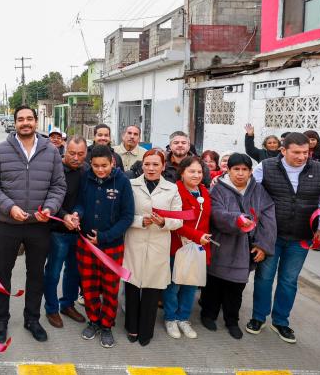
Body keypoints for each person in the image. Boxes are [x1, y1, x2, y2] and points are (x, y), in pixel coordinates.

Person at [0, 105, 66, 344]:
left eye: (29, 118)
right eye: (21, 119)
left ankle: (32, 319)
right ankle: (1, 320)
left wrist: (49, 208)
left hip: (39, 225)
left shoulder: (51, 151)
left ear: (36, 122)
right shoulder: (0, 151)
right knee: (2, 274)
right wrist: (9, 207)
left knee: (36, 274)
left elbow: (58, 186)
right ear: (15, 123)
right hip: (8, 224)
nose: (25, 123)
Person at [246, 132, 320, 343]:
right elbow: (251, 196)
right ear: (283, 150)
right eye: (297, 152)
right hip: (270, 236)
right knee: (264, 277)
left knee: (289, 280)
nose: (302, 156)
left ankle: (281, 321)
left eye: (306, 152)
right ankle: (259, 317)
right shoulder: (265, 167)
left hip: (301, 237)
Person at [63, 145, 134, 348]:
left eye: (104, 165)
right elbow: (80, 204)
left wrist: (104, 237)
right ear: (90, 164)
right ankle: (93, 320)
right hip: (85, 244)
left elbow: (127, 216)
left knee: (110, 288)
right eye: (96, 166)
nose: (100, 170)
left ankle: (107, 325)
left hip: (111, 246)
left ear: (112, 162)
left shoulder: (122, 182)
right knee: (89, 286)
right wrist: (77, 215)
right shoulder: (86, 177)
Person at [202, 153, 276, 339]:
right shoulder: (218, 189)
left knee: (236, 288)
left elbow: (268, 218)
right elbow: (216, 214)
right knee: (214, 284)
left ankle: (231, 320)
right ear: (229, 170)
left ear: (251, 172)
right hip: (222, 245)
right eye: (236, 169)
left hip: (246, 249)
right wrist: (236, 220)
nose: (240, 174)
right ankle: (208, 315)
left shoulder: (259, 191)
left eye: (245, 170)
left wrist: (263, 245)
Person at [123, 149, 183, 346]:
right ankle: (131, 327)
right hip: (135, 240)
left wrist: (164, 222)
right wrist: (141, 220)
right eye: (147, 164)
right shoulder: (131, 185)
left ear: (163, 166)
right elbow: (123, 214)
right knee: (132, 285)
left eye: (156, 164)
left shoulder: (172, 189)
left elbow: (179, 220)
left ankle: (146, 331)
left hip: (158, 243)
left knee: (151, 288)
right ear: (142, 165)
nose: (151, 168)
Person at [164, 156, 213, 340]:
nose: (196, 175)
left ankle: (183, 318)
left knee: (191, 285)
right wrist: (195, 236)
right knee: (174, 285)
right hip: (178, 245)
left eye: (199, 171)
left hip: (198, 247)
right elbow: (174, 220)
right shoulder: (174, 190)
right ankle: (170, 318)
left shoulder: (204, 191)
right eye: (192, 171)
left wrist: (202, 239)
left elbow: (206, 220)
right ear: (182, 172)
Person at [43, 136, 88, 329]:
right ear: (64, 150)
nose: (76, 158)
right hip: (56, 230)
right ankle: (51, 308)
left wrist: (77, 215)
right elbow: (47, 198)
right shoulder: (54, 170)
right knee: (53, 272)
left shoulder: (87, 171)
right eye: (72, 153)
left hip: (78, 230)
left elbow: (85, 198)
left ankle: (67, 304)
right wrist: (65, 216)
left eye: (80, 154)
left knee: (74, 273)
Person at [131, 131, 210, 187]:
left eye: (183, 143)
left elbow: (206, 187)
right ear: (170, 146)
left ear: (189, 146)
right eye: (176, 143)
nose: (180, 145)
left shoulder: (200, 165)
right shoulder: (161, 162)